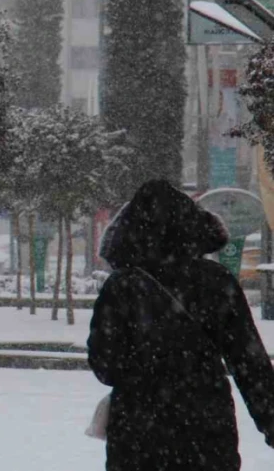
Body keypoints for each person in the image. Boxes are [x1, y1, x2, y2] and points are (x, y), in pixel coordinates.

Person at [88, 179, 274, 471]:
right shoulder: (217, 281)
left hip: (137, 435)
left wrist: (144, 368)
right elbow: (249, 360)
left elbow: (105, 366)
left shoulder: (122, 286)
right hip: (207, 429)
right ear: (193, 227)